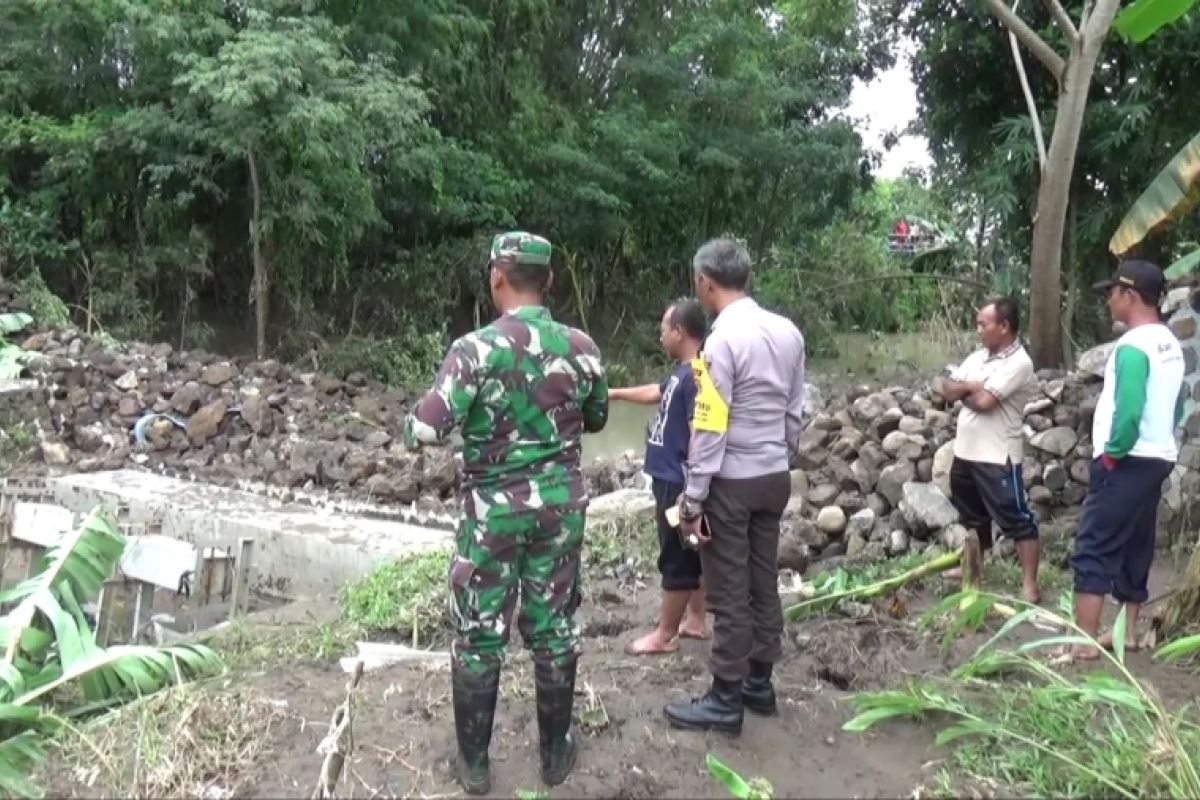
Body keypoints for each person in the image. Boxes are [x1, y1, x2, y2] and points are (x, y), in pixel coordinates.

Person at [403, 231, 609, 794]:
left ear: (497, 276)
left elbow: (426, 427)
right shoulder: (582, 346)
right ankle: (554, 756)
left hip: (492, 513)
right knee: (553, 625)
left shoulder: (474, 349)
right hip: (560, 510)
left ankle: (474, 764)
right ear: (547, 281)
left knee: (478, 632)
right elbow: (596, 418)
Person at [664, 238, 805, 736]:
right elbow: (794, 411)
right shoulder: (788, 332)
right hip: (773, 476)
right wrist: (778, 455)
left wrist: (693, 498)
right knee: (763, 578)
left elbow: (710, 425)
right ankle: (758, 684)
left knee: (728, 588)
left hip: (733, 481)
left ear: (705, 282)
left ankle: (725, 697)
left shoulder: (719, 343)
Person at [1062, 260, 1184, 662]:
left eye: (1112, 292)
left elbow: (1129, 412)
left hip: (1128, 458)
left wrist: (1113, 454)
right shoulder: (1168, 343)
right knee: (1137, 542)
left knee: (1094, 545)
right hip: (1157, 457)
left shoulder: (1132, 348)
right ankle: (1128, 632)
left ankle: (1083, 640)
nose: (1108, 300)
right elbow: (1177, 404)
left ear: (1130, 296)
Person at [609, 298, 710, 656]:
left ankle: (663, 635)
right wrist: (615, 394)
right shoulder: (684, 372)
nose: (660, 334)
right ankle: (696, 619)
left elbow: (699, 431)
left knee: (676, 553)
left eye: (664, 328)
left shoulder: (697, 376)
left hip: (677, 482)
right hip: (671, 477)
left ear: (679, 332)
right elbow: (658, 391)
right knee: (693, 546)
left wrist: (692, 488)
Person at [936, 298, 1041, 602]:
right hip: (966, 452)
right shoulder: (978, 357)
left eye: (984, 324)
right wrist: (972, 386)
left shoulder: (1019, 363)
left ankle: (1030, 584)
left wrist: (963, 391)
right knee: (972, 516)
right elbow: (945, 388)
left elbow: (984, 404)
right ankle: (974, 567)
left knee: (1016, 518)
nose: (978, 330)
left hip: (998, 455)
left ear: (1004, 327)